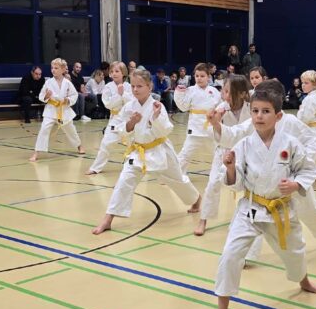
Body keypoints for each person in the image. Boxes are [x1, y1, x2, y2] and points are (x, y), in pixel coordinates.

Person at [198, 83, 316, 309]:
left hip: (280, 210)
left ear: (278, 116)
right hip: (250, 208)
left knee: (295, 252)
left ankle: (305, 282)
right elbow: (234, 181)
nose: (259, 116)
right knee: (230, 256)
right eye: (255, 111)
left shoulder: (289, 143)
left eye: (266, 111)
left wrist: (296, 183)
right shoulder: (245, 144)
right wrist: (231, 167)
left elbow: (308, 169)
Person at [212, 78, 316, 253]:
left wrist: (300, 168)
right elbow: (236, 133)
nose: (261, 112)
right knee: (253, 212)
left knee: (310, 209)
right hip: (262, 180)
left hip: (290, 179)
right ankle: (247, 254)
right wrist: (216, 125)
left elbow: (311, 140)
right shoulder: (255, 121)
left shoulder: (290, 121)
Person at [92, 69, 200, 235]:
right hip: (138, 153)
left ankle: (196, 199)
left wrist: (155, 118)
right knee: (123, 181)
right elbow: (119, 129)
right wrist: (131, 123)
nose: (135, 89)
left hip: (160, 150)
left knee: (176, 179)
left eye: (140, 86)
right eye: (133, 86)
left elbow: (165, 130)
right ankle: (108, 219)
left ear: (150, 87)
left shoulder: (158, 106)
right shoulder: (129, 107)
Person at [195, 74, 251, 236]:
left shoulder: (250, 107)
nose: (224, 95)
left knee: (247, 187)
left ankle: (244, 222)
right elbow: (210, 133)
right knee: (213, 184)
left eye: (228, 91)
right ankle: (203, 219)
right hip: (224, 151)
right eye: (223, 91)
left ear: (241, 93)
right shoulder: (221, 108)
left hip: (246, 152)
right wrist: (215, 123)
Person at [29, 58, 85, 161]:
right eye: (52, 68)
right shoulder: (48, 82)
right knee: (44, 130)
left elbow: (74, 95)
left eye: (56, 68)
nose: (53, 70)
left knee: (70, 129)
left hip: (63, 110)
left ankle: (79, 146)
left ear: (63, 69)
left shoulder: (67, 83)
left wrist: (67, 100)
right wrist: (46, 96)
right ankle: (36, 152)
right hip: (51, 109)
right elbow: (41, 96)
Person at [173, 62, 220, 179]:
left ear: (208, 77)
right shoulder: (190, 90)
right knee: (185, 153)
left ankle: (221, 175)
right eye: (197, 76)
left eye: (202, 76)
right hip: (195, 129)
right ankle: (176, 176)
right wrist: (178, 94)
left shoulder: (214, 91)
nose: (199, 78)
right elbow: (183, 107)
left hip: (211, 128)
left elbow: (220, 108)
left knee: (218, 153)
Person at [87, 62, 132, 175]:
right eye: (112, 71)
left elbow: (133, 102)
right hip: (115, 119)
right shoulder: (107, 87)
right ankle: (96, 167)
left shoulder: (129, 86)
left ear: (123, 73)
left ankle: (132, 166)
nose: (114, 73)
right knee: (106, 143)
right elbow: (107, 104)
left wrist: (124, 94)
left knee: (133, 143)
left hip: (129, 120)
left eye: (117, 71)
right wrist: (119, 95)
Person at [297, 70, 316, 184]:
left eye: (306, 83)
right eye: (302, 82)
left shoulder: (310, 99)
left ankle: (305, 180)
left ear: (315, 84)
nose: (303, 85)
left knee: (309, 155)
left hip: (312, 131)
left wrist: (300, 110)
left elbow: (305, 118)